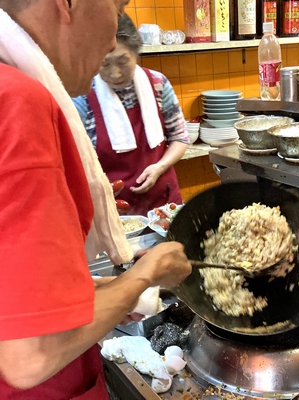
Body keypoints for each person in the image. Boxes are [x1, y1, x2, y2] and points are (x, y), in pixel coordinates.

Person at [0, 1, 191, 399]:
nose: (112, 36)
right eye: (117, 5)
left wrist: (106, 293)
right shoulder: (17, 101)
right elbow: (30, 356)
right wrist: (145, 274)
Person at [73, 14, 189, 216]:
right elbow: (74, 162)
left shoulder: (158, 84)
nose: (115, 73)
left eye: (123, 61)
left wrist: (160, 167)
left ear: (136, 53)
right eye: (105, 64)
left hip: (163, 203)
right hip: (114, 211)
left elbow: (180, 137)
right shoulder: (82, 97)